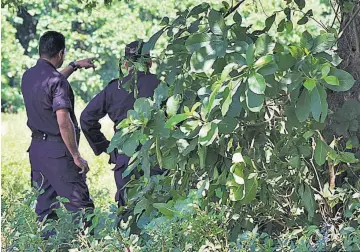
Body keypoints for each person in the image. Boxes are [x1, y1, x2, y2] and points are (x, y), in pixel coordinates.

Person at [21, 31, 96, 225]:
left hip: (37, 151)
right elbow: (63, 120)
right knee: (81, 209)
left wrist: (74, 66)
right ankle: (87, 244)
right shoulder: (56, 82)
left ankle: (50, 245)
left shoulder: (28, 77)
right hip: (58, 153)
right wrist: (76, 156)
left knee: (45, 209)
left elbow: (52, 82)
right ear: (60, 54)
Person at [80, 41, 160, 208]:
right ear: (150, 62)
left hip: (126, 159)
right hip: (157, 158)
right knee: (161, 209)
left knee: (128, 212)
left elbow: (87, 118)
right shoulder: (161, 85)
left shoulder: (114, 88)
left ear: (125, 64)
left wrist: (106, 147)